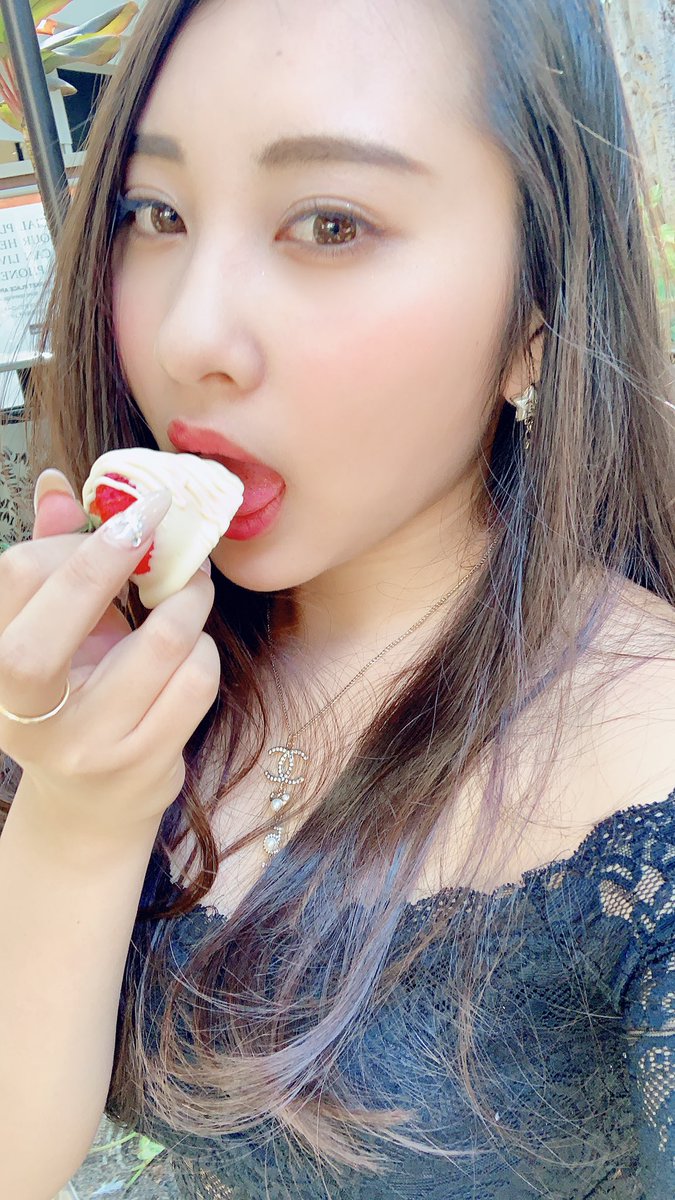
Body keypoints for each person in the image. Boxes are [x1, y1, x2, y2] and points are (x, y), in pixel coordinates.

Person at [0, 0, 673, 1196]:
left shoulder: (647, 781)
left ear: (537, 313)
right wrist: (75, 818)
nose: (190, 337)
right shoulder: (108, 662)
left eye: (329, 223)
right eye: (155, 214)